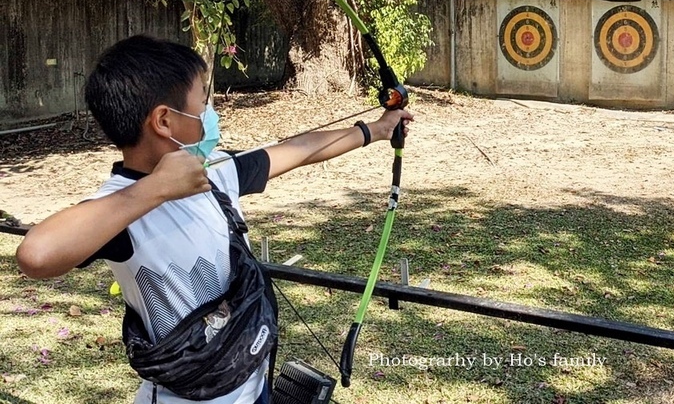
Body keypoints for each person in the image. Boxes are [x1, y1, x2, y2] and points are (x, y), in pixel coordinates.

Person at [15, 35, 412, 404]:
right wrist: (156, 189)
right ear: (164, 121)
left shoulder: (214, 173)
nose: (209, 112)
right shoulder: (118, 209)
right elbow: (36, 254)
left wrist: (375, 129)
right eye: (201, 102)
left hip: (250, 382)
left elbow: (299, 149)